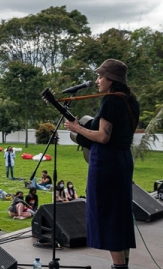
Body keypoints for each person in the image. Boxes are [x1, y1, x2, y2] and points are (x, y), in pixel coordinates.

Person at [66, 60, 139, 269]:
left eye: (100, 77)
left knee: (108, 214)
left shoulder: (111, 101)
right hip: (123, 160)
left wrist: (76, 127)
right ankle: (122, 264)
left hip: (107, 164)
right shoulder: (131, 100)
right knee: (120, 213)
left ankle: (118, 266)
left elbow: (103, 137)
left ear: (111, 79)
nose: (97, 81)